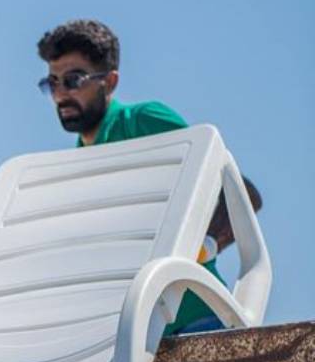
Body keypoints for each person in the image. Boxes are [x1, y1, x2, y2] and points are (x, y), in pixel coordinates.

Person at [35, 18, 261, 335]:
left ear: (110, 82)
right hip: (136, 338)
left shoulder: (141, 121)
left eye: (73, 80)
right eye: (52, 83)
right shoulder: (78, 162)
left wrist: (204, 245)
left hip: (198, 320)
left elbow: (242, 194)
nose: (60, 95)